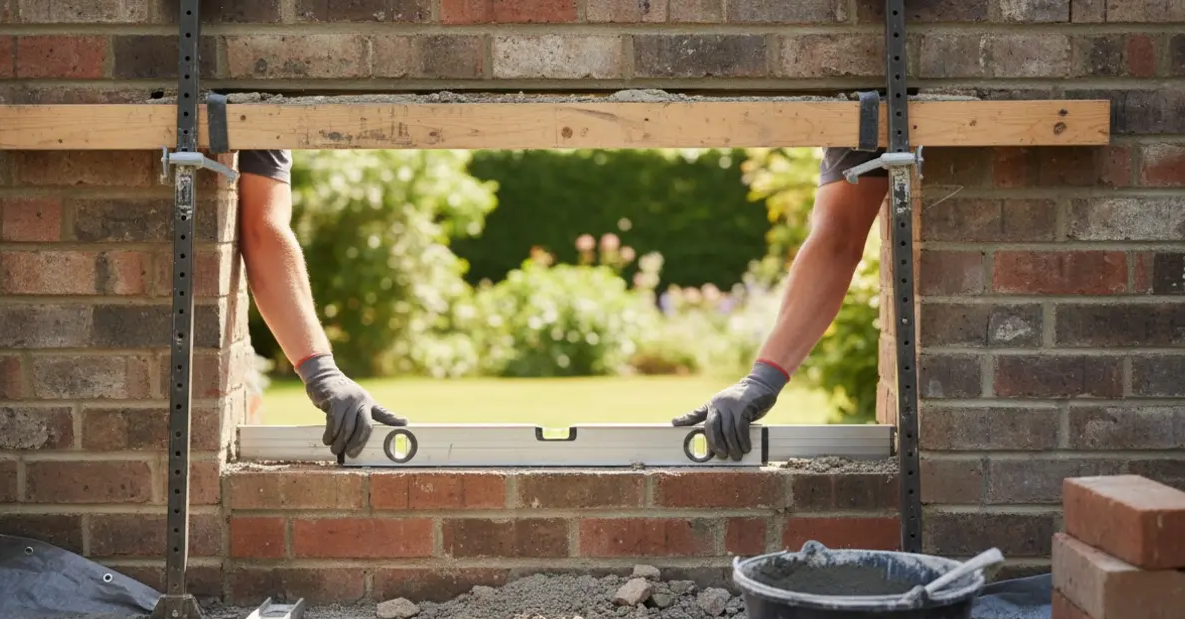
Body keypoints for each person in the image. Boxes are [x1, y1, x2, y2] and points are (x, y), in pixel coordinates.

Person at [237, 146, 888, 461]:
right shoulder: (246, 82)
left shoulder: (864, 84)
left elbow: (840, 235)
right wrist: (318, 372)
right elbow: (259, 225)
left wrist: (760, 381)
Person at [671, 147, 889, 461]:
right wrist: (762, 380)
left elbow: (838, 242)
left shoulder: (867, 104)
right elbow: (838, 241)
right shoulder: (862, 112)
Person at [236, 150, 408, 459]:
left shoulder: (249, 110)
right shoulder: (258, 106)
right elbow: (261, 230)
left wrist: (322, 373)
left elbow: (261, 230)